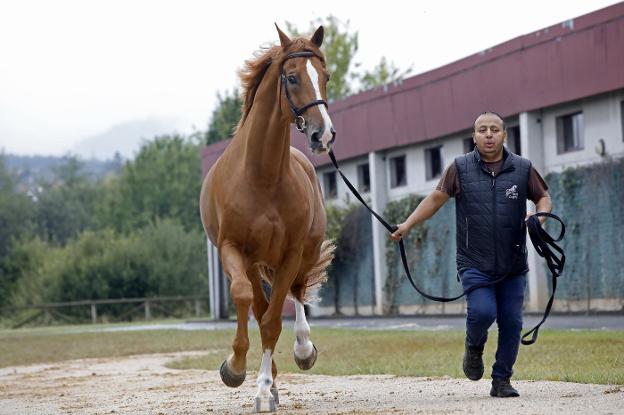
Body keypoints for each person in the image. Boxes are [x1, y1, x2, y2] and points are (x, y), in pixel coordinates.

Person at [390, 111, 552, 397]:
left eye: (494, 129)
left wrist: (538, 219)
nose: (488, 135)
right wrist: (407, 224)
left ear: (504, 134)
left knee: (512, 322)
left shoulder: (523, 168)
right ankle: (473, 348)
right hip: (473, 261)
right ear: (474, 136)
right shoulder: (459, 168)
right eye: (482, 130)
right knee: (482, 312)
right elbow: (436, 197)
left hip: (513, 263)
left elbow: (543, 197)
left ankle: (502, 380)